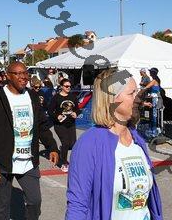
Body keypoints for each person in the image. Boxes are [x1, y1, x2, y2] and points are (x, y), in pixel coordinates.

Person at [66, 68, 163, 219]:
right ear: (112, 99)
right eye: (131, 93)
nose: (138, 98)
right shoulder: (89, 144)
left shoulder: (137, 140)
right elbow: (77, 204)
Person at [0, 62, 59, 220]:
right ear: (8, 76)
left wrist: (52, 147)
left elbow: (42, 125)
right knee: (2, 207)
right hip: (3, 162)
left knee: (35, 201)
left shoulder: (32, 96)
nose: (23, 77)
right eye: (18, 73)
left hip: (28, 161)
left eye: (25, 73)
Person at [48, 78, 81, 172]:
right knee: (66, 143)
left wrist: (76, 113)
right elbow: (50, 111)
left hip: (71, 124)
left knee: (73, 144)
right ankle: (64, 163)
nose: (68, 88)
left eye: (70, 86)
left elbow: (78, 109)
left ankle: (63, 150)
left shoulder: (73, 97)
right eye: (66, 86)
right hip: (60, 125)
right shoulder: (56, 98)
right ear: (62, 87)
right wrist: (57, 116)